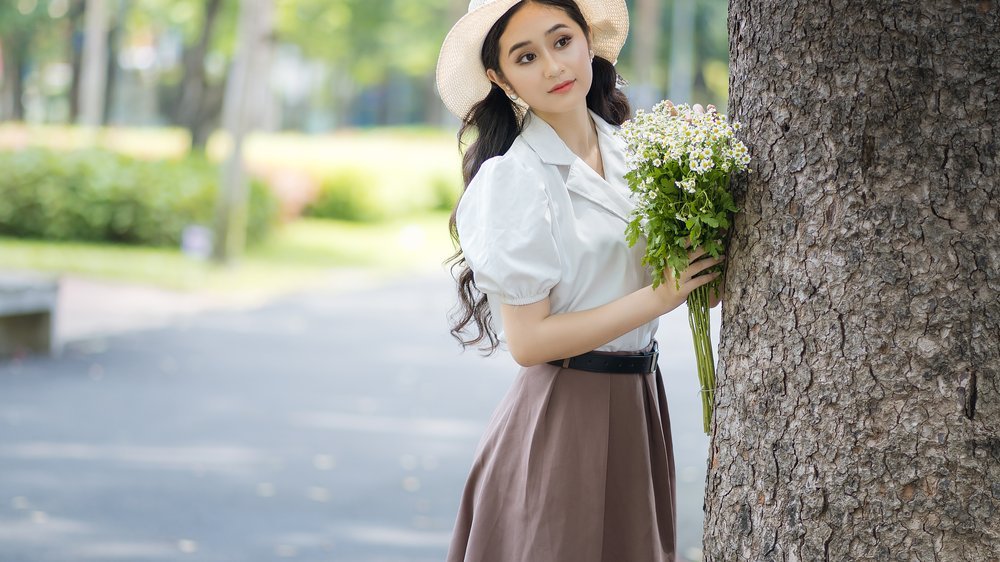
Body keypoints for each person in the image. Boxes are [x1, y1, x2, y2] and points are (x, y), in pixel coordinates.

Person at [436, 1, 725, 560]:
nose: (552, 66)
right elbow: (528, 342)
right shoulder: (514, 179)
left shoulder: (636, 153)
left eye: (561, 41)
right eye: (526, 56)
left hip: (641, 403)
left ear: (588, 40)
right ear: (501, 78)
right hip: (563, 415)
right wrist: (661, 295)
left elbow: (673, 278)